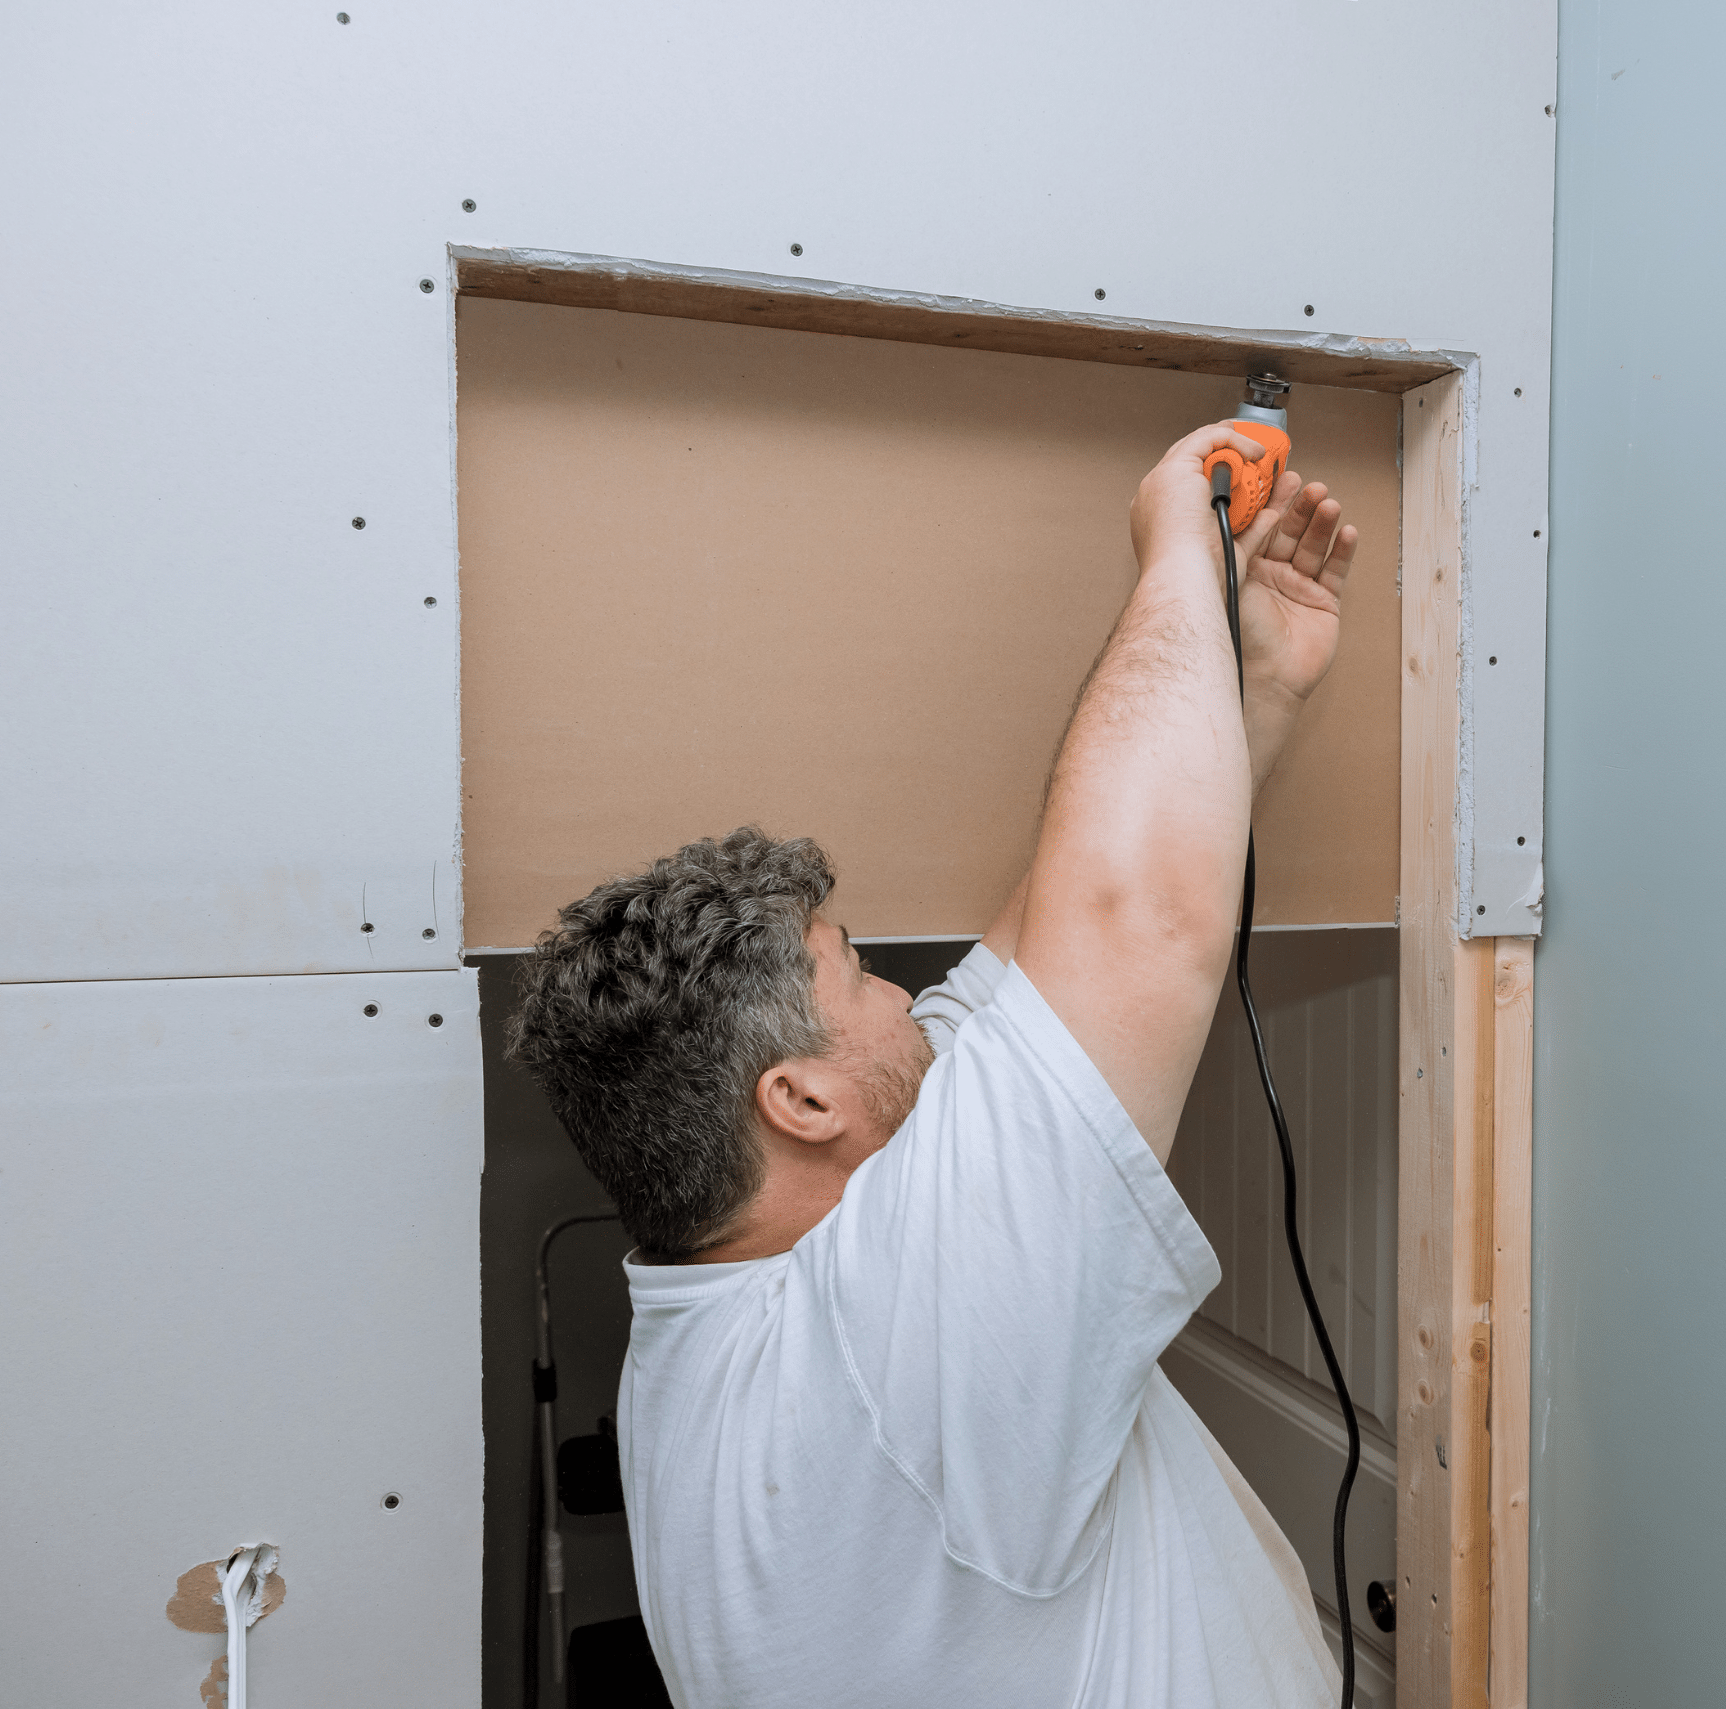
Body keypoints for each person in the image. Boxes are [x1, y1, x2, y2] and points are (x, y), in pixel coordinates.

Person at [506, 421, 1361, 1707]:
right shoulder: (879, 1348)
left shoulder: (730, 1319)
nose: (911, 992)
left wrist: (1254, 688)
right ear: (799, 1098)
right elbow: (1131, 917)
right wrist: (1172, 541)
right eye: (861, 975)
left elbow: (1044, 950)